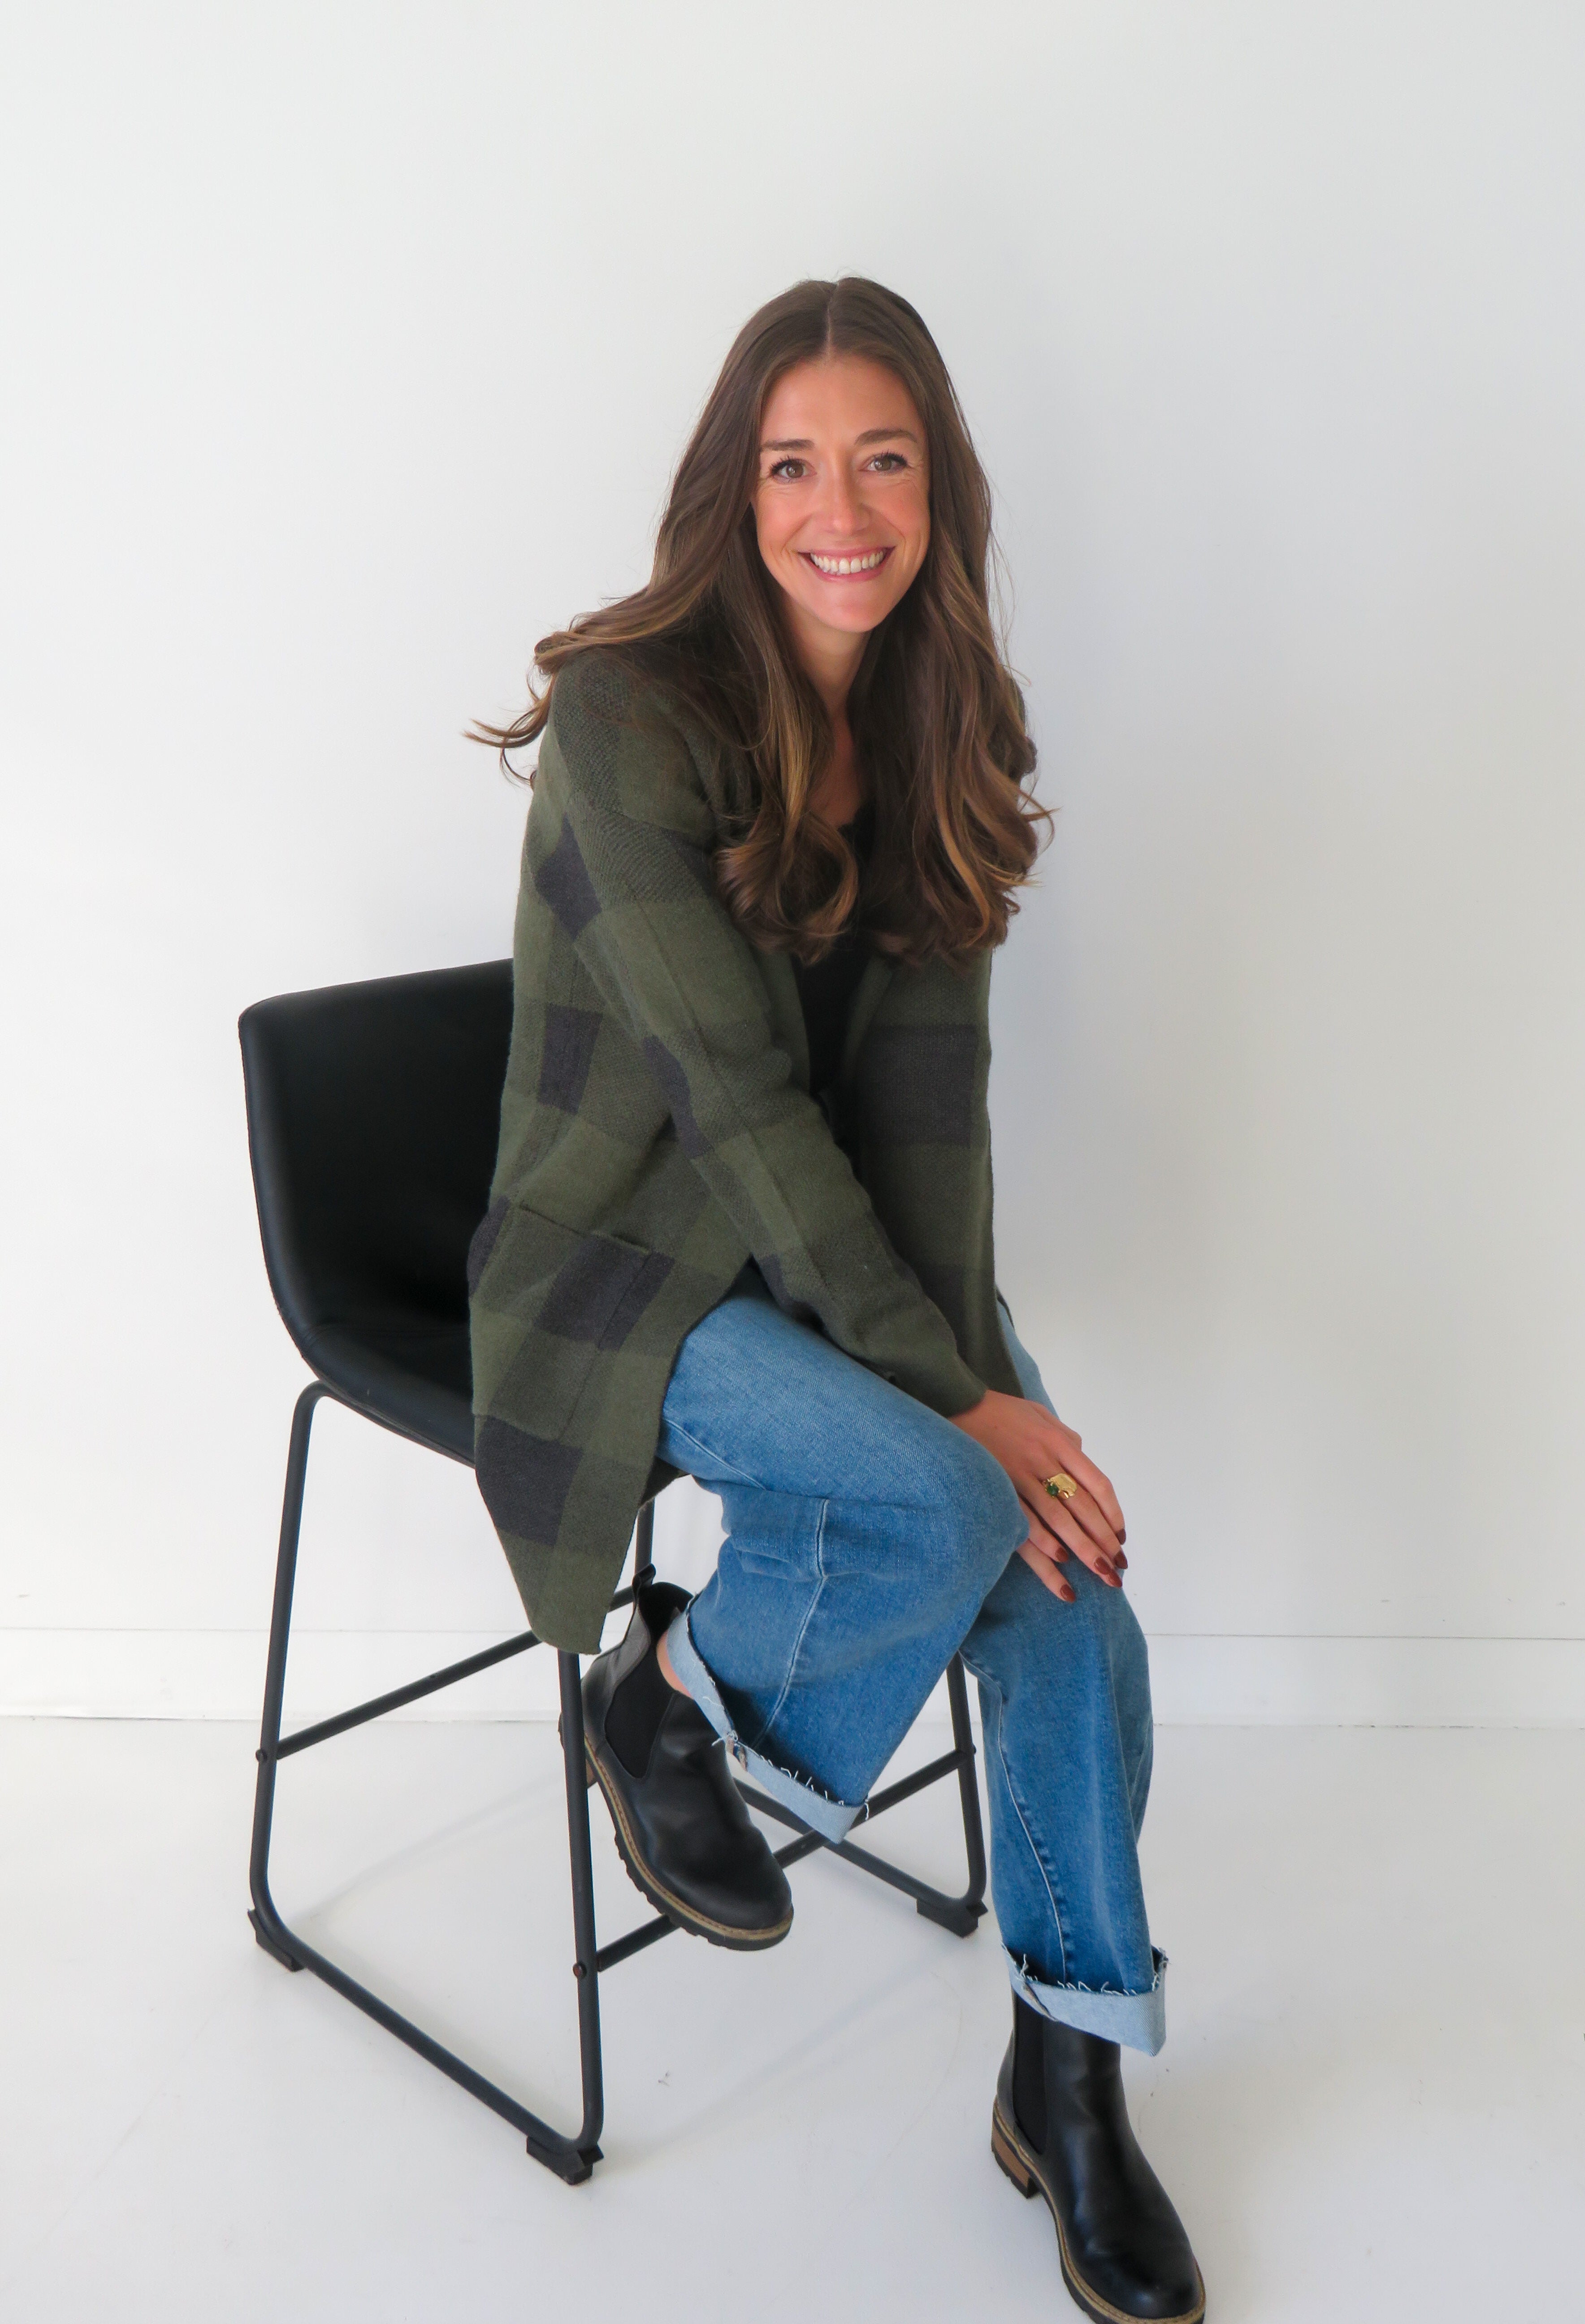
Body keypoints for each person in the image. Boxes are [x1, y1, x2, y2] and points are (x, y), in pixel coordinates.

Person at [469, 276, 1204, 2324]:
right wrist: (957, 1414)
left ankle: (1070, 2075)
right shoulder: (631, 720)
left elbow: (928, 1113)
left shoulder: (942, 718)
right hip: (628, 1264)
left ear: (937, 487)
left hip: (840, 1251)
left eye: (883, 460)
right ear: (739, 489)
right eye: (795, 466)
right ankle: (670, 1699)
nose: (842, 510)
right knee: (959, 1494)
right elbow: (734, 1103)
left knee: (1067, 1574)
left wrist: (979, 1368)